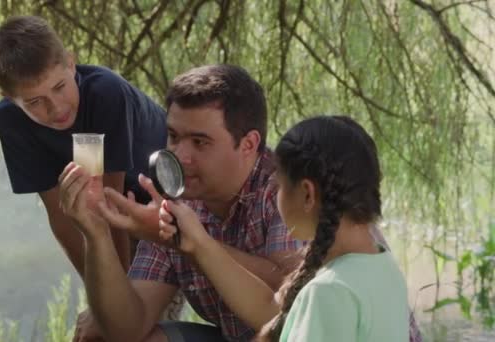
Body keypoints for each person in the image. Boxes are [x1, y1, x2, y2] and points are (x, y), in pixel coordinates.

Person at [59, 64, 304, 341]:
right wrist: (96, 233)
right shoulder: (174, 197)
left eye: (200, 143)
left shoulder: (285, 191)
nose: (179, 156)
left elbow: (293, 298)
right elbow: (125, 328)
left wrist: (182, 239)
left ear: (248, 144)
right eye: (174, 137)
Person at [0, 15, 172, 331]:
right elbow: (63, 215)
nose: (56, 108)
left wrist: (115, 304)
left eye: (59, 87)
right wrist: (101, 296)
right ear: (9, 99)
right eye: (35, 102)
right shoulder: (10, 121)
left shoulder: (104, 94)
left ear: (71, 64)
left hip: (167, 205)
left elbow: (108, 207)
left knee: (130, 327)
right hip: (114, 211)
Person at [158, 115, 414, 341]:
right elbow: (270, 307)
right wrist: (198, 242)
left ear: (306, 194)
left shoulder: (327, 292)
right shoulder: (382, 265)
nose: (275, 195)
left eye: (278, 186)